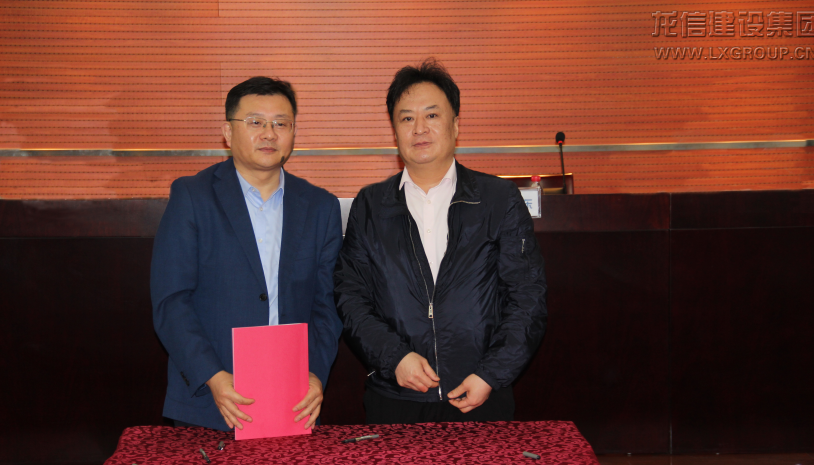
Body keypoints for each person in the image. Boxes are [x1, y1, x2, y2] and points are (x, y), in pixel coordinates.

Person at [334, 59, 547, 424]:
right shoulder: (370, 204)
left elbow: (527, 298)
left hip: (480, 395)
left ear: (455, 125)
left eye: (432, 115)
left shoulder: (498, 199)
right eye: (407, 118)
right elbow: (351, 297)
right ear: (395, 131)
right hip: (396, 397)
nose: (419, 128)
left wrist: (490, 374)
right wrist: (394, 358)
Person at [151, 76, 342, 431]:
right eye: (255, 122)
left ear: (293, 132)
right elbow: (171, 301)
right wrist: (213, 377)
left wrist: (315, 374)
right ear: (228, 131)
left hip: (294, 400)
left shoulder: (320, 207)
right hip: (210, 400)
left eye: (281, 124)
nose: (269, 134)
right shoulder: (192, 197)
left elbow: (326, 306)